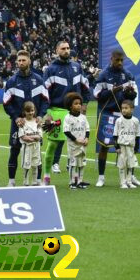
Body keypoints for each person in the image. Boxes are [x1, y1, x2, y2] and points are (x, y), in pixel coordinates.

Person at [42, 41, 90, 186]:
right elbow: (45, 93)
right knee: (52, 145)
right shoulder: (50, 70)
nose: (66, 51)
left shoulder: (77, 67)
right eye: (63, 48)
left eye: (68, 48)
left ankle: (75, 179)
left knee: (77, 145)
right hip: (56, 111)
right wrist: (47, 112)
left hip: (75, 113)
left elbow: (85, 87)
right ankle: (46, 176)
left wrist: (85, 104)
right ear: (57, 50)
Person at [93, 50, 140, 187]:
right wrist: (113, 90)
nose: (119, 63)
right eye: (117, 60)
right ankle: (101, 177)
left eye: (121, 60)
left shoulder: (128, 75)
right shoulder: (103, 75)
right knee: (104, 146)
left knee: (129, 147)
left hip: (124, 115)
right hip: (107, 113)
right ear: (111, 58)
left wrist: (130, 93)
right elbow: (97, 95)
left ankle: (131, 177)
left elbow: (133, 96)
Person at [3, 50, 48, 187]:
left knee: (36, 151)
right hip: (18, 123)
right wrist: (16, 117)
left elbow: (45, 100)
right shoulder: (11, 81)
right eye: (19, 60)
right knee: (15, 150)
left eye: (24, 60)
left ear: (29, 61)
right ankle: (11, 181)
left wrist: (40, 115)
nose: (21, 62)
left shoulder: (39, 80)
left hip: (35, 124)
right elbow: (6, 103)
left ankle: (37, 181)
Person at [62, 92, 90, 189]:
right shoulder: (67, 118)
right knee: (73, 164)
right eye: (76, 104)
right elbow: (66, 131)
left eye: (79, 103)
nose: (78, 105)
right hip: (73, 145)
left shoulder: (83, 117)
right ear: (70, 106)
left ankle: (80, 181)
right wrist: (75, 139)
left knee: (82, 163)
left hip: (83, 145)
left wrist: (86, 138)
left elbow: (87, 129)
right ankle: (72, 182)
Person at [114, 100, 140, 189]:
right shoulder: (118, 120)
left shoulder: (135, 120)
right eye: (122, 108)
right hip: (122, 146)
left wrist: (136, 147)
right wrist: (116, 147)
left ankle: (129, 181)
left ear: (132, 109)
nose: (124, 110)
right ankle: (123, 182)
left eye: (126, 108)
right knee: (122, 164)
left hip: (131, 146)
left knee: (130, 164)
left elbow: (137, 135)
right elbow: (115, 135)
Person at [18, 101, 43, 187]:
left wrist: (34, 138)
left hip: (36, 146)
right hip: (27, 147)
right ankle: (25, 181)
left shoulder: (37, 122)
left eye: (32, 110)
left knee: (35, 164)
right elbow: (22, 136)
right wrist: (31, 138)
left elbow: (40, 136)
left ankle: (34, 181)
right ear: (24, 112)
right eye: (28, 111)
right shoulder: (22, 122)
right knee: (26, 164)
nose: (30, 113)